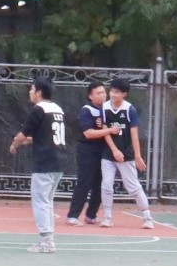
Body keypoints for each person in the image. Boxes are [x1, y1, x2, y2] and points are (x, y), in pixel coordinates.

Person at [9, 77, 66, 254]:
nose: (30, 92)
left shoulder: (38, 109)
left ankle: (46, 241)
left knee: (40, 201)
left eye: (32, 89)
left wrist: (15, 144)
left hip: (45, 162)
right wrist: (30, 140)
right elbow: (48, 135)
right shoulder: (57, 109)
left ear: (39, 92)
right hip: (59, 160)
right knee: (47, 201)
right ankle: (49, 239)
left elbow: (22, 133)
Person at [99, 78, 156, 230]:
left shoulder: (129, 109)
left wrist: (137, 156)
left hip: (126, 155)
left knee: (133, 187)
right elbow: (105, 131)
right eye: (112, 91)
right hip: (108, 154)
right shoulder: (104, 108)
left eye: (117, 92)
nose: (113, 94)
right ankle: (107, 217)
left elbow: (134, 134)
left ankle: (147, 217)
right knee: (106, 185)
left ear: (124, 94)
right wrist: (114, 150)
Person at [66, 81, 110, 226]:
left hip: (103, 151)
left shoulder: (108, 110)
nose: (102, 95)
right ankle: (72, 215)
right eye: (98, 93)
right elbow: (88, 133)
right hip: (87, 151)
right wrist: (109, 130)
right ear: (90, 96)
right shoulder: (87, 111)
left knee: (101, 184)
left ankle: (91, 215)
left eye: (103, 92)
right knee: (85, 182)